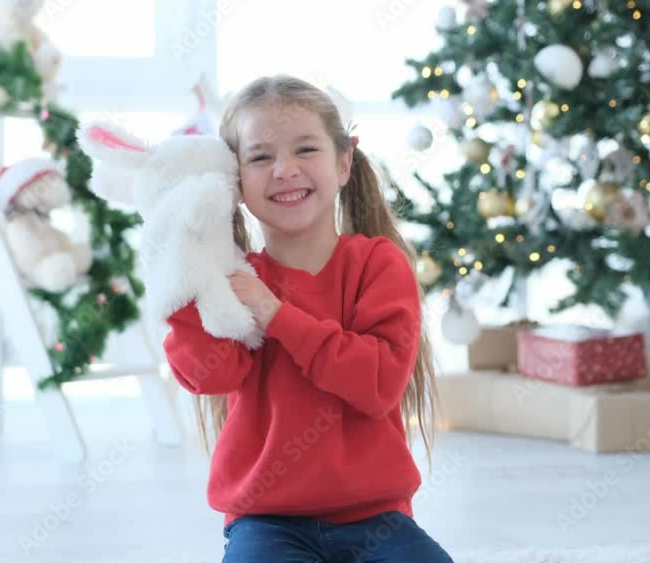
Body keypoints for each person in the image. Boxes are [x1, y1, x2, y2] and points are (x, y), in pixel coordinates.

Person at [163, 74, 453, 563]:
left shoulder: (378, 264)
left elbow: (378, 382)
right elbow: (211, 375)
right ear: (234, 180)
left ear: (343, 161)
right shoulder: (233, 277)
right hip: (266, 520)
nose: (285, 170)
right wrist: (182, 278)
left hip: (376, 518)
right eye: (260, 157)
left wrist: (276, 315)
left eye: (305, 149)